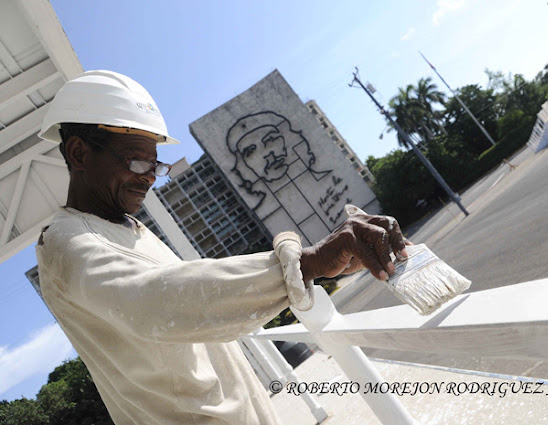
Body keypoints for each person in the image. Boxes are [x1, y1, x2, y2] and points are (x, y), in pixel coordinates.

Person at [36, 70, 407, 425]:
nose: (149, 176)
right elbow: (154, 302)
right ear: (80, 153)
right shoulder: (63, 243)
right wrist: (306, 263)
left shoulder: (128, 229)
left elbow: (194, 295)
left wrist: (320, 266)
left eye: (155, 164)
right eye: (136, 161)